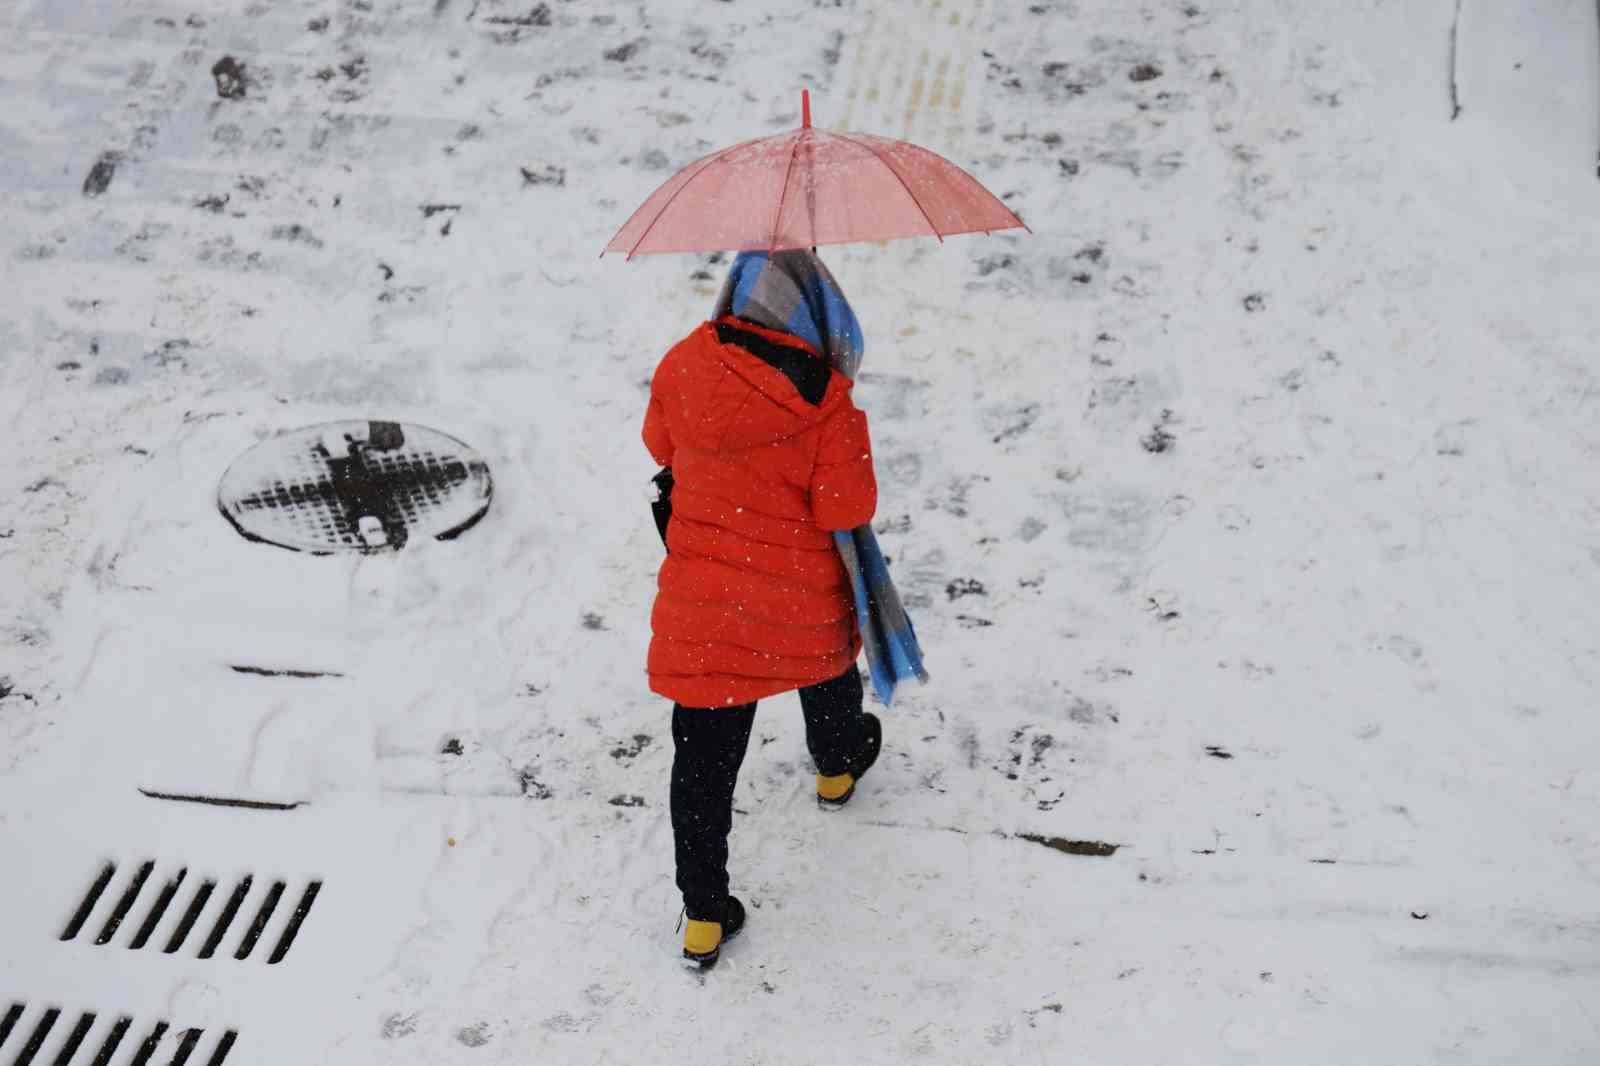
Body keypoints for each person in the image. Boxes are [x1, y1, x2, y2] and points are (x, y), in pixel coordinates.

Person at [642, 250, 883, 970]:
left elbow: (660, 444)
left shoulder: (685, 362)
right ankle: (836, 768)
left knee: (704, 763)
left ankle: (704, 916)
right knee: (827, 660)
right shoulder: (827, 399)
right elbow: (849, 507)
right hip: (796, 594)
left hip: (705, 605)